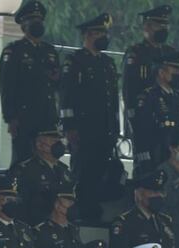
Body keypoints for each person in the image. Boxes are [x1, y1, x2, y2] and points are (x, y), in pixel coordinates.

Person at [60, 13, 120, 226]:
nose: (104, 36)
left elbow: (112, 99)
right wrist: (69, 126)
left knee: (100, 171)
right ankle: (81, 210)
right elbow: (67, 96)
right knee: (83, 172)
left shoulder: (108, 63)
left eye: (105, 32)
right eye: (99, 33)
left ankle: (94, 209)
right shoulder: (75, 61)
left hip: (105, 128)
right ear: (88, 35)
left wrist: (116, 126)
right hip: (84, 129)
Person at [0, 1, 60, 165]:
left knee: (47, 160)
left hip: (46, 116)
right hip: (24, 117)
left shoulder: (49, 51)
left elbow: (57, 83)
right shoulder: (14, 51)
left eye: (40, 21)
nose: (38, 24)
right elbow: (7, 86)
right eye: (33, 21)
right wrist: (10, 117)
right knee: (23, 160)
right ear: (24, 25)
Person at [110, 170, 175, 248]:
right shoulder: (124, 222)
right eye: (153, 192)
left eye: (160, 192)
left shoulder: (165, 221)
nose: (158, 196)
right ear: (139, 194)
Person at [9, 127, 72, 225]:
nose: (59, 144)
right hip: (35, 225)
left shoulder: (64, 170)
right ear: (39, 145)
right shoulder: (26, 169)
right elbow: (18, 204)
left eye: (59, 140)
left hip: (59, 226)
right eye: (54, 140)